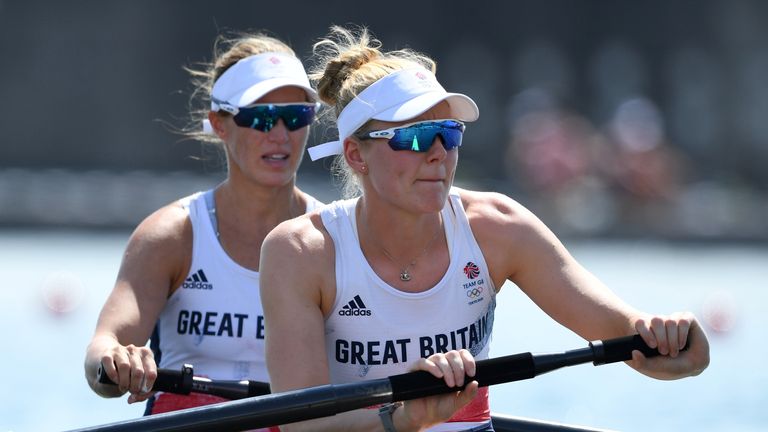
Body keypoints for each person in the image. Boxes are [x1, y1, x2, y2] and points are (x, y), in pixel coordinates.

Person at [259, 26, 710, 432]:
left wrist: (668, 338)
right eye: (415, 137)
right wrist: (403, 420)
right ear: (357, 156)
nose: (438, 154)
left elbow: (624, 332)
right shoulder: (300, 252)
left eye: (448, 134)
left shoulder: (497, 228)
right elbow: (304, 425)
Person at [84, 31, 322, 418]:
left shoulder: (333, 235)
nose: (281, 135)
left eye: (296, 116)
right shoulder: (172, 236)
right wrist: (117, 360)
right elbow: (104, 347)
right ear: (220, 123)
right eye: (260, 117)